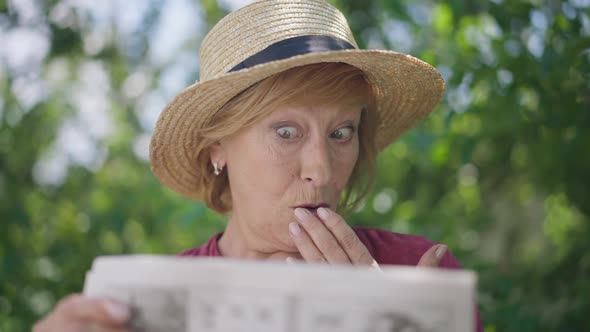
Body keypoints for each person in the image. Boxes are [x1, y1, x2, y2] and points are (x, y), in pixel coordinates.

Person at [34, 0, 483, 331]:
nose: (321, 172)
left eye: (341, 133)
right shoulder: (143, 309)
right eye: (286, 132)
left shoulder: (418, 273)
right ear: (217, 149)